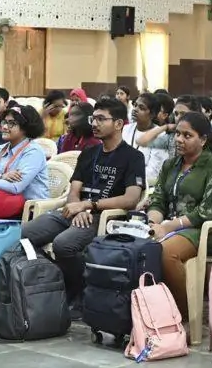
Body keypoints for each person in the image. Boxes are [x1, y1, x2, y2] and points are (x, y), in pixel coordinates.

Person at [22, 96, 145, 308]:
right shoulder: (89, 153)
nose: (94, 123)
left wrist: (89, 206)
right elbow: (74, 190)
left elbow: (131, 199)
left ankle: (80, 290)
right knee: (23, 235)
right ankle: (56, 283)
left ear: (118, 124)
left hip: (103, 216)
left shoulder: (133, 157)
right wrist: (77, 207)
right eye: (93, 119)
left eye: (101, 119)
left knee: (63, 244)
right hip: (75, 211)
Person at [146, 112, 212, 319]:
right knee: (137, 247)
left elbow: (205, 212)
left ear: (203, 140)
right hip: (167, 227)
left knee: (166, 252)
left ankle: (183, 313)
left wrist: (168, 227)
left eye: (187, 135)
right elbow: (158, 199)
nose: (179, 139)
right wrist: (153, 224)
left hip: (202, 230)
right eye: (177, 133)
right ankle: (149, 310)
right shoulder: (171, 164)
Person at [0, 103, 50, 201]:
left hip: (31, 207)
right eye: (4, 122)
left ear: (26, 127)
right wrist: (2, 177)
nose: (5, 127)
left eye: (11, 123)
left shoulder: (34, 152)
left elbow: (16, 187)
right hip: (2, 203)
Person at [122, 91, 167, 184]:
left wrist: (128, 177)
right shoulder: (126, 129)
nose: (135, 109)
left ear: (152, 114)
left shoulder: (160, 135)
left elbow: (153, 172)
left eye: (141, 108)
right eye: (135, 105)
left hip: (145, 184)